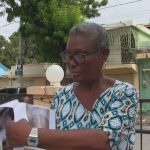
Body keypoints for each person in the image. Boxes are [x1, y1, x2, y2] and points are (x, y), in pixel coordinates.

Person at [6, 22, 138, 150]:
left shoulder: (123, 92)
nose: (71, 62)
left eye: (80, 55)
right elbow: (54, 142)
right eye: (68, 55)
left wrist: (30, 135)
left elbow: (103, 140)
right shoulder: (61, 96)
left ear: (104, 54)